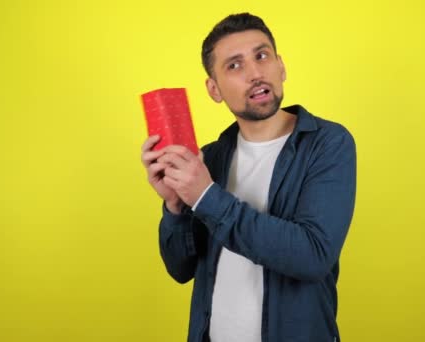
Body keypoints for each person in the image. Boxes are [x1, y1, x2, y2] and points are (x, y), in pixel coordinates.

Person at [141, 12, 356, 342]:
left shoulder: (327, 143)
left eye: (262, 55)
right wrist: (174, 206)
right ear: (214, 89)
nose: (256, 73)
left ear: (280, 66)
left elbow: (313, 256)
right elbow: (180, 269)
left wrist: (204, 196)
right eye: (235, 65)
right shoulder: (210, 158)